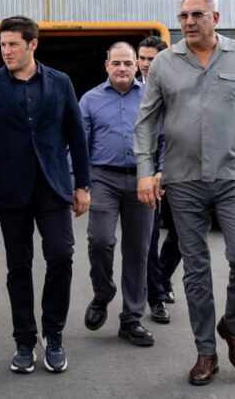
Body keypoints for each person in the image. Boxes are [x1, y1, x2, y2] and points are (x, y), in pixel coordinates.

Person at [134, 0, 235, 386]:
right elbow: (146, 122)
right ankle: (206, 352)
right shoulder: (165, 63)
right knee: (195, 269)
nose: (188, 22)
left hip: (233, 176)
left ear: (215, 18)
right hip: (183, 180)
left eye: (197, 14)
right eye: (183, 16)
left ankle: (232, 326)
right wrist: (145, 171)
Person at [0, 16, 91, 375]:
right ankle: (24, 340)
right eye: (2, 45)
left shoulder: (60, 82)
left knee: (61, 255)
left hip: (53, 186)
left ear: (32, 44)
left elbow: (76, 136)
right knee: (18, 266)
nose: (6, 51)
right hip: (9, 188)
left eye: (13, 44)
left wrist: (82, 185)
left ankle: (53, 335)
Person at [81, 42, 156, 347]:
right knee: (100, 240)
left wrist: (160, 172)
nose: (122, 68)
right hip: (103, 179)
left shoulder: (152, 97)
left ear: (136, 65)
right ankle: (103, 292)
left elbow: (165, 137)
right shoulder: (90, 100)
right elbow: (79, 144)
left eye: (128, 63)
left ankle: (131, 319)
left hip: (143, 180)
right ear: (107, 65)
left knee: (138, 250)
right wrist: (78, 183)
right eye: (116, 63)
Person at [138, 35, 179, 325]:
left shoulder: (176, 89)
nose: (145, 64)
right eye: (142, 58)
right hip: (148, 172)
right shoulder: (133, 91)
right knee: (149, 237)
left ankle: (162, 276)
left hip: (178, 170)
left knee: (183, 234)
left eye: (151, 59)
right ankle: (157, 296)